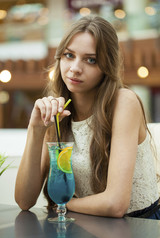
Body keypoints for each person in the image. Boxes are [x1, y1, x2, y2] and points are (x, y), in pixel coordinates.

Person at [15, 15, 160, 219]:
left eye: (90, 60)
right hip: (88, 223)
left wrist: (64, 203)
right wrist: (35, 128)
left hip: (139, 225)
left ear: (106, 66)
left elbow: (115, 204)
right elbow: (24, 200)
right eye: (69, 55)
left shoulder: (123, 102)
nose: (75, 68)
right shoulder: (57, 110)